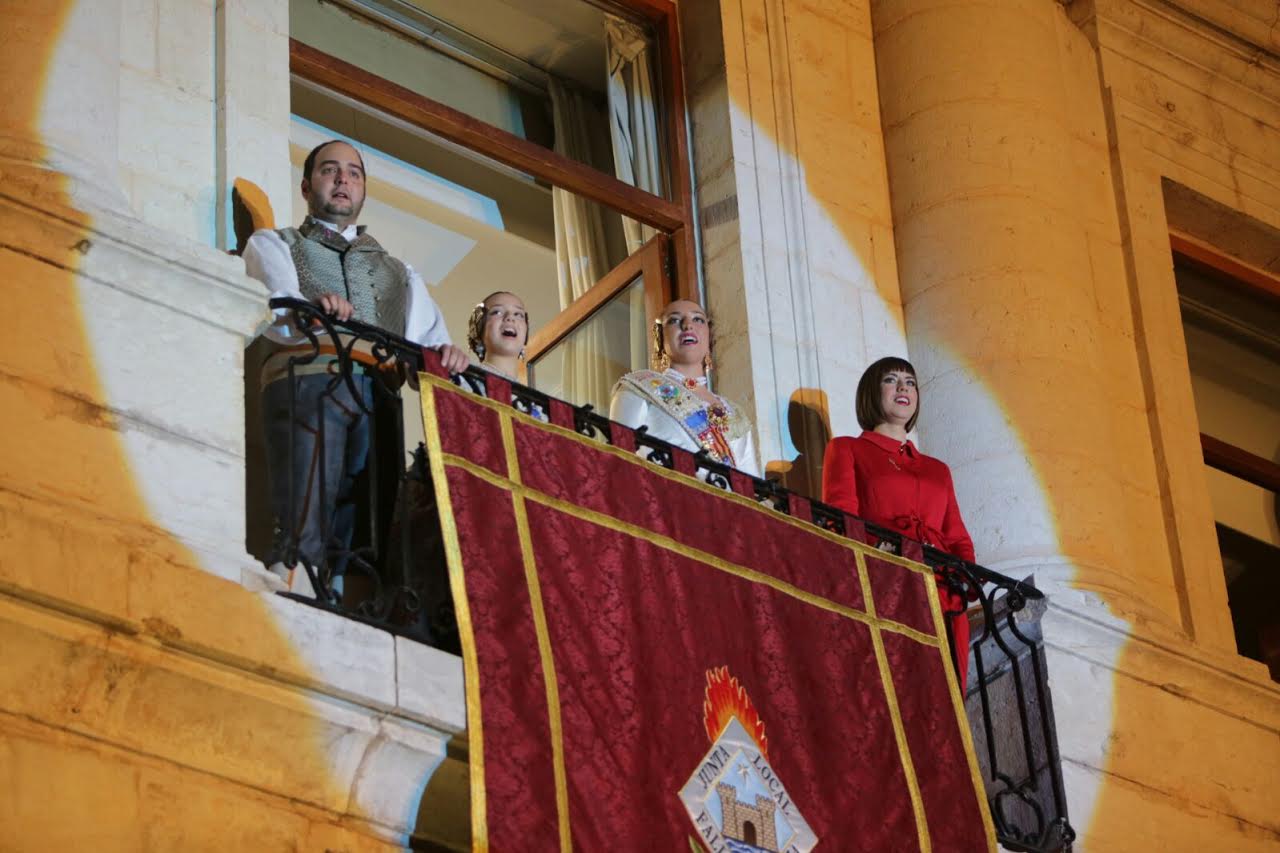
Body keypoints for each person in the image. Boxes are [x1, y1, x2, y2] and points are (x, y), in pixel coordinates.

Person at [243, 138, 469, 594]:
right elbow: (277, 309)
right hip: (309, 385)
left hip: (379, 397)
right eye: (330, 170)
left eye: (354, 173)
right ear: (307, 187)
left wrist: (451, 355)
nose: (343, 179)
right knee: (305, 504)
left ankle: (347, 597)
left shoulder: (399, 272)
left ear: (363, 190)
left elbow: (434, 345)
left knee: (367, 519)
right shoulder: (275, 243)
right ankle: (292, 579)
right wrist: (312, 305)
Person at [821, 356, 975, 689]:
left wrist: (966, 578)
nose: (903, 387)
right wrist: (880, 552)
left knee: (945, 695)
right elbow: (840, 519)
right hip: (886, 582)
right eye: (891, 380)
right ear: (871, 393)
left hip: (943, 592)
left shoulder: (938, 469)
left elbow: (958, 536)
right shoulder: (847, 449)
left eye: (910, 382)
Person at [609, 299, 759, 477]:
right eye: (674, 320)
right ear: (660, 337)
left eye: (698, 319)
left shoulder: (734, 412)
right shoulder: (639, 388)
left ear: (709, 335)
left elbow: (752, 487)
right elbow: (619, 465)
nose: (688, 325)